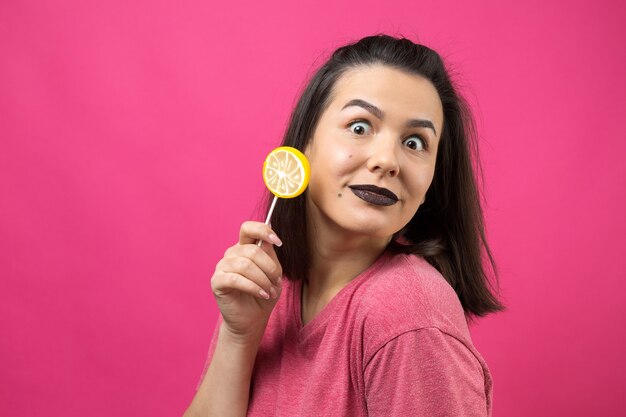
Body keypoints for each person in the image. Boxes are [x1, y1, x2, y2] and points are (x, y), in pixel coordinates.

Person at [183, 34, 505, 417]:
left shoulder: (408, 317)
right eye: (359, 126)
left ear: (433, 182)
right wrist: (240, 336)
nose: (387, 160)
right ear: (304, 145)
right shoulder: (267, 286)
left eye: (415, 142)